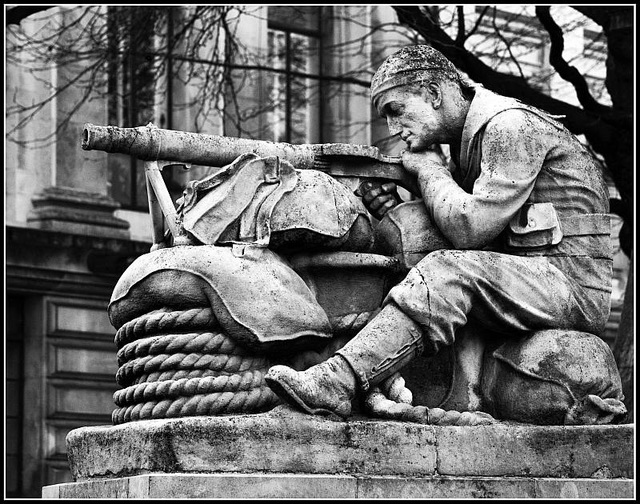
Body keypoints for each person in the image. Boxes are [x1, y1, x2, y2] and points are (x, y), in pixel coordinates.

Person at [264, 45, 615, 420]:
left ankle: (337, 382)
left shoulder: (509, 126)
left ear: (433, 93)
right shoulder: (469, 142)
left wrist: (430, 172)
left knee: (448, 271)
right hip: (532, 275)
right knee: (417, 230)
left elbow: (469, 228)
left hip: (570, 285)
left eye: (396, 111)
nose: (393, 129)